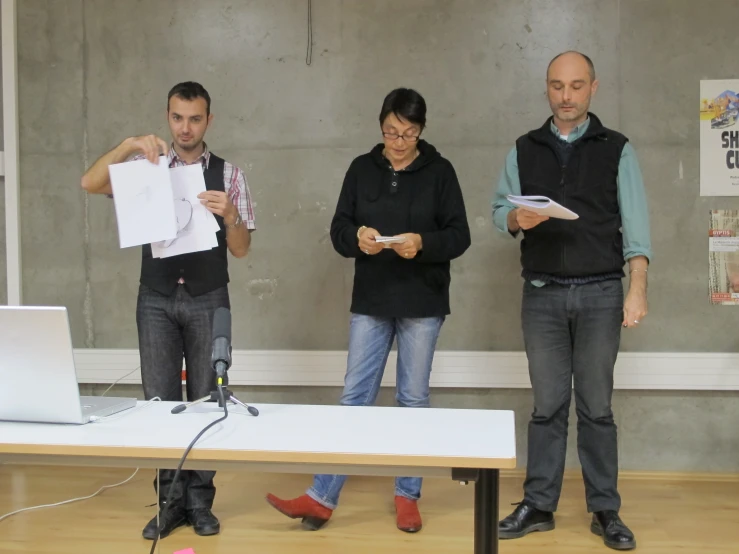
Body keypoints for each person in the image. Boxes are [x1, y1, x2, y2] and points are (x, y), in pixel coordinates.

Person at [264, 88, 471, 533]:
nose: (399, 141)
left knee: (412, 401)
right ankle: (320, 497)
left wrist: (424, 242)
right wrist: (356, 235)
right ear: (380, 126)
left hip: (422, 301)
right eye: (391, 132)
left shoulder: (441, 172)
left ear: (422, 130)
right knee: (354, 399)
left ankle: (407, 496)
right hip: (372, 300)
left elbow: (460, 235)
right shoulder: (361, 169)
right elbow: (338, 228)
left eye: (409, 133)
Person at [80, 81, 256, 540]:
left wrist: (232, 217)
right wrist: (127, 145)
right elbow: (89, 182)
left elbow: (241, 250)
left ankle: (200, 505)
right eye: (177, 118)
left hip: (208, 296)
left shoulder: (230, 174)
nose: (185, 127)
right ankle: (168, 504)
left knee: (206, 398)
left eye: (195, 118)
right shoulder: (146, 167)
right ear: (167, 117)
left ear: (208, 121)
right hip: (155, 298)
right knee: (158, 401)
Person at [492, 52, 651, 551]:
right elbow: (501, 211)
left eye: (576, 86)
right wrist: (519, 220)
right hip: (542, 295)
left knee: (597, 408)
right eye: (557, 86)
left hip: (603, 293)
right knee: (547, 407)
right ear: (547, 90)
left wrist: (637, 288)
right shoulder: (523, 148)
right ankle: (539, 504)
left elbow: (636, 226)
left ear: (593, 89)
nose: (566, 96)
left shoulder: (617, 148)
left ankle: (606, 511)